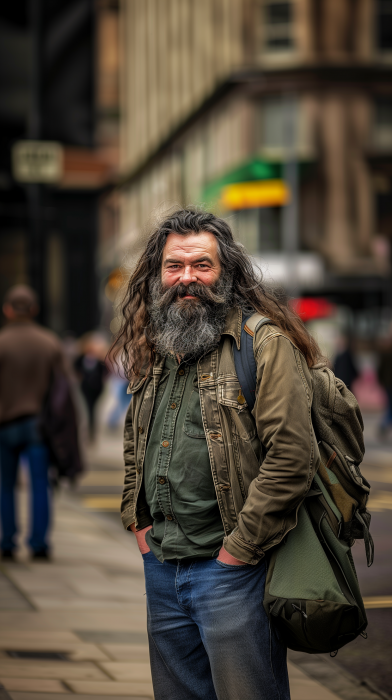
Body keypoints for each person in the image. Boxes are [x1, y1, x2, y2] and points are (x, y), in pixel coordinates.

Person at [113, 209, 322, 700]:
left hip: (230, 571)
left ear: (226, 272)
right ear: (157, 273)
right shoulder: (156, 345)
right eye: (174, 266)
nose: (187, 278)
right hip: (162, 565)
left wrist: (237, 554)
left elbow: (292, 458)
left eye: (201, 265)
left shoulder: (264, 344)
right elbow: (133, 442)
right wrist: (139, 526)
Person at [0, 286, 66, 559]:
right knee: (41, 483)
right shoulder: (49, 342)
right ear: (34, 309)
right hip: (39, 425)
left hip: (4, 424)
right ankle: (39, 544)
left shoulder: (1, 341)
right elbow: (62, 390)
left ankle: (8, 542)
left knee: (6, 484)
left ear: (7, 309)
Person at [74, 333, 108, 440]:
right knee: (89, 408)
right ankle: (89, 430)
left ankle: (91, 431)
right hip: (86, 388)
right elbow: (75, 368)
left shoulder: (99, 361)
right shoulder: (81, 358)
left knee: (92, 409)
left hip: (97, 388)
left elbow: (106, 371)